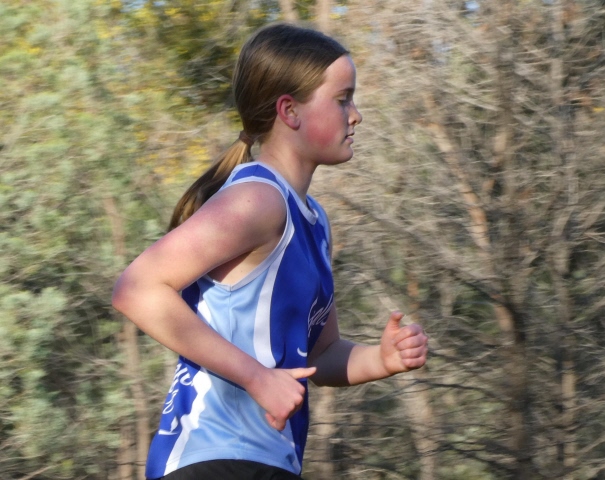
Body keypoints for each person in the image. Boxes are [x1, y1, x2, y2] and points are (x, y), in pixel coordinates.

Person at [112, 23, 428, 480]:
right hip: (213, 459)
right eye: (343, 99)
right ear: (289, 111)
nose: (356, 115)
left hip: (265, 462)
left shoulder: (313, 222)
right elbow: (137, 289)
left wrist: (381, 359)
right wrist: (256, 377)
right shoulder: (258, 200)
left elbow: (320, 354)